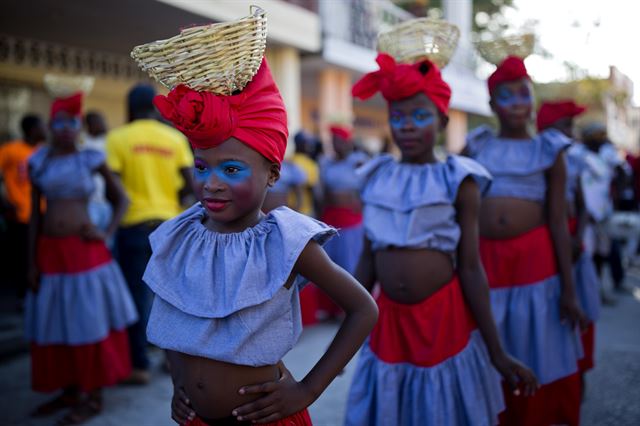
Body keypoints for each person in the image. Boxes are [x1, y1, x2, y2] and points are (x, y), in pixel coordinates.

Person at [137, 50, 378, 425]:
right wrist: (177, 385)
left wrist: (308, 390)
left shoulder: (285, 241)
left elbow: (364, 309)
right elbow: (175, 318)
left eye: (231, 169)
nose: (211, 184)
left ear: (272, 174)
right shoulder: (182, 235)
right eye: (201, 167)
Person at [344, 52, 538, 426]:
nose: (408, 127)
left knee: (440, 409)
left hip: (442, 317)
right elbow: (367, 262)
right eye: (398, 118)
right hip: (390, 322)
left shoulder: (459, 179)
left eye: (420, 116)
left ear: (443, 120)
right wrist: (344, 340)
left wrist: (497, 351)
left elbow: (469, 266)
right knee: (393, 406)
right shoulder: (376, 177)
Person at [465, 56, 586, 426]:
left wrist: (568, 287)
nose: (517, 103)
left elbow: (556, 221)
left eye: (523, 94)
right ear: (491, 105)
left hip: (536, 264)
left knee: (534, 343)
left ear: (532, 99)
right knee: (490, 341)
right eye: (506, 95)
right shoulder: (477, 146)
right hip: (485, 263)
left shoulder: (549, 150)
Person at [26, 92, 137, 424]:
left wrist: (106, 234)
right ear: (49, 125)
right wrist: (30, 262)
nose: (64, 128)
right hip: (50, 253)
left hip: (86, 253)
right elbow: (34, 216)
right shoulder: (39, 161)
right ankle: (70, 390)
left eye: (71, 122)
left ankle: (94, 395)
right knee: (56, 321)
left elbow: (122, 200)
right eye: (58, 122)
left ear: (79, 126)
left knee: (89, 323)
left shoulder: (91, 158)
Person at [105, 84, 195, 384]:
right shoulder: (174, 138)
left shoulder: (117, 139)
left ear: (130, 107)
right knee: (171, 296)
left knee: (135, 294)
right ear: (155, 107)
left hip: (132, 226)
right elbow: (189, 182)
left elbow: (112, 188)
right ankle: (174, 361)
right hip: (169, 226)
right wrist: (171, 198)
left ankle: (139, 366)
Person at [537, 100, 601, 385]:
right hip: (544, 245)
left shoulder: (572, 160)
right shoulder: (535, 158)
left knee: (578, 310)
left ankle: (577, 374)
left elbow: (583, 207)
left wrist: (576, 238)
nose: (570, 132)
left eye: (570, 126)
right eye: (564, 125)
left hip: (572, 243)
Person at [313, 125, 369, 319]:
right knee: (329, 263)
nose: (336, 144)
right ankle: (329, 309)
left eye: (339, 140)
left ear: (347, 142)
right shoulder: (326, 163)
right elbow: (321, 192)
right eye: (333, 141)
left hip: (351, 219)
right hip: (330, 217)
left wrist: (361, 203)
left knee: (350, 262)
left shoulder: (358, 161)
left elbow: (368, 187)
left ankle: (352, 308)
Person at [0, 114, 46, 298]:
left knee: (40, 258)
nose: (46, 130)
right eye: (42, 126)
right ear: (32, 130)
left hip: (43, 214)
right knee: (22, 259)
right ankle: (22, 297)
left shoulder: (44, 151)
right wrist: (4, 202)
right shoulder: (10, 149)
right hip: (20, 215)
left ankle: (35, 295)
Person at [83, 111, 112, 234]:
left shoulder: (109, 142)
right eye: (100, 122)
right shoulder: (83, 144)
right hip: (90, 202)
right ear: (91, 124)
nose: (104, 125)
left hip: (107, 202)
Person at [291, 131, 320, 217]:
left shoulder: (288, 161)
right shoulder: (310, 164)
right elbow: (313, 190)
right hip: (305, 212)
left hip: (288, 210)